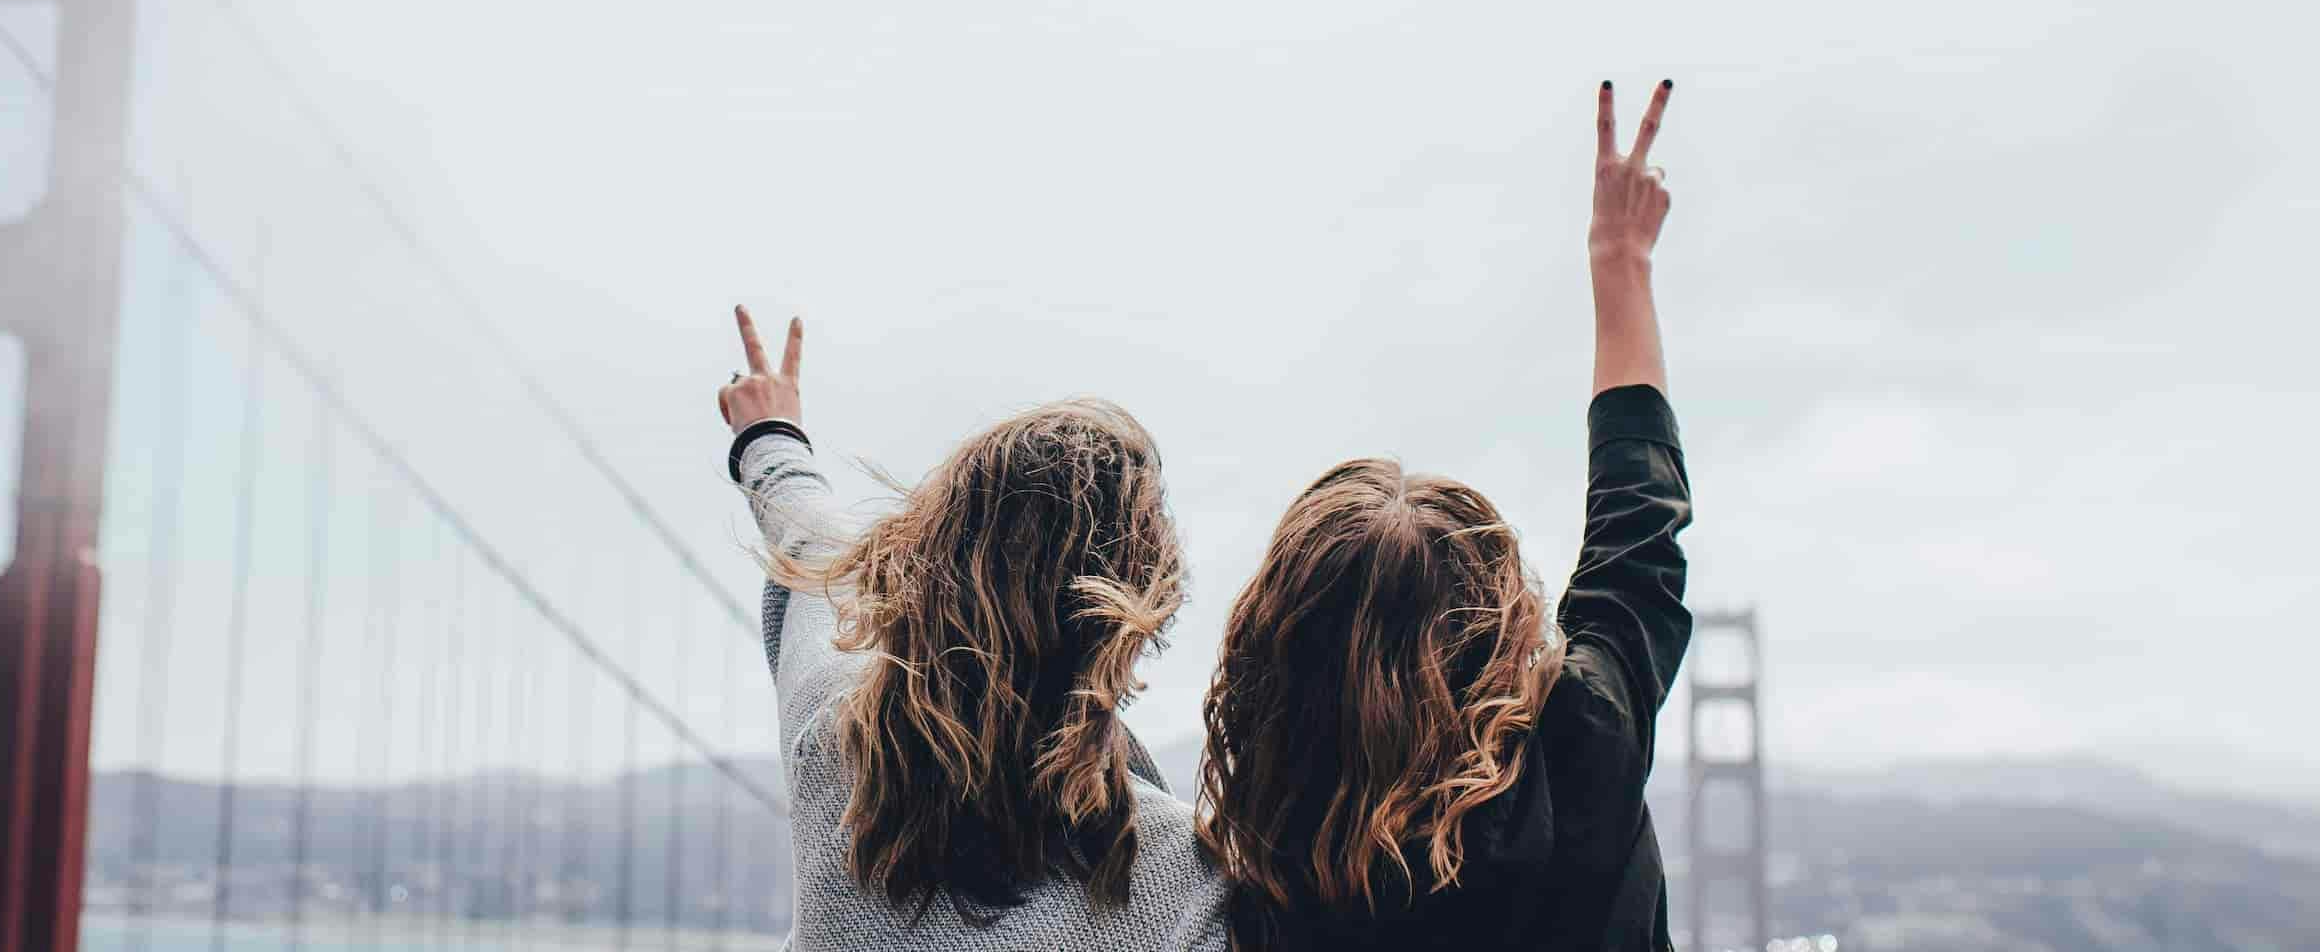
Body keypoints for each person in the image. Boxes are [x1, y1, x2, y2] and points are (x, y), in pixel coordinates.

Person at [1194, 80, 1696, 950]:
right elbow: (1638, 520)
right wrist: (1621, 258)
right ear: (1498, 616)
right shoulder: (1584, 739)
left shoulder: (1268, 848)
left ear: (1278, 647)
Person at [714, 308, 1229, 950]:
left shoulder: (831, 742)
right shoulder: (1191, 888)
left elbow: (813, 543)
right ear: (1133, 617)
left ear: (923, 562)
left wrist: (768, 434)